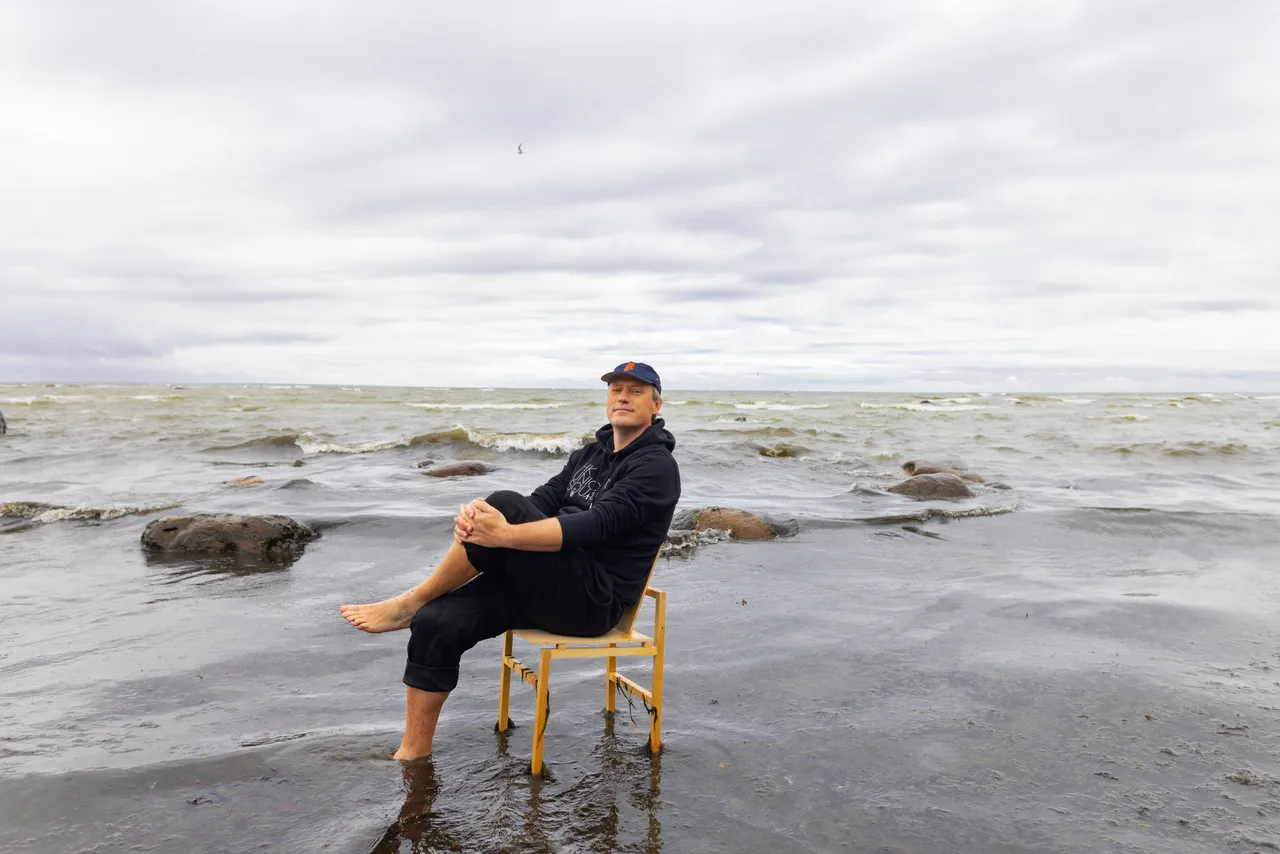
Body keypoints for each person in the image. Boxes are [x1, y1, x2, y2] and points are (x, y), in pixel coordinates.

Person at [340, 361, 681, 761]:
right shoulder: (589, 455)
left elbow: (598, 524)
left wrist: (503, 533)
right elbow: (542, 501)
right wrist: (481, 522)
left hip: (593, 601)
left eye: (636, 391)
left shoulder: (657, 467)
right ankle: (413, 753)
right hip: (542, 579)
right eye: (616, 390)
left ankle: (410, 602)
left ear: (656, 405)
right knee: (438, 620)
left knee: (503, 505)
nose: (623, 397)